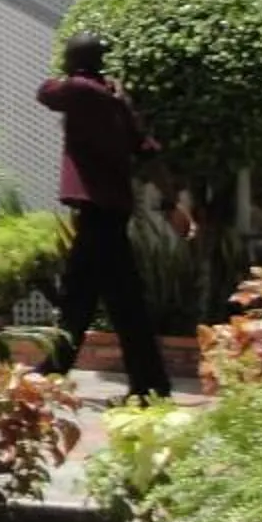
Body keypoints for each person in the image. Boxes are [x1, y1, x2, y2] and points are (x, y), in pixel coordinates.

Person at [35, 36, 170, 401]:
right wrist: (172, 202)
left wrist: (71, 75)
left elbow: (45, 93)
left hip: (96, 212)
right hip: (114, 211)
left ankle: (148, 384)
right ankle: (56, 372)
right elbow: (146, 149)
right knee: (91, 295)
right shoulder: (117, 99)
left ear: (76, 60)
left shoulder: (79, 89)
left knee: (110, 300)